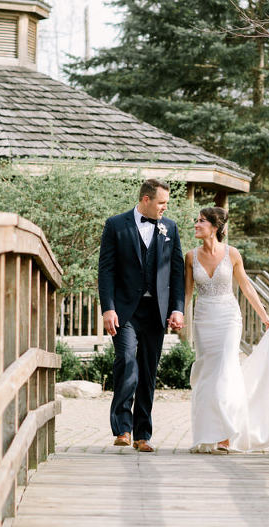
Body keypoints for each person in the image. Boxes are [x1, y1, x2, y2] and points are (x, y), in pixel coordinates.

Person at [185, 207, 269, 453]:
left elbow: (246, 287)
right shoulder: (190, 256)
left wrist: (264, 316)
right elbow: (188, 292)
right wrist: (179, 314)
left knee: (225, 370)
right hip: (203, 319)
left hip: (228, 318)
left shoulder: (232, 254)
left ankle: (226, 434)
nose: (196, 224)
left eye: (201, 221)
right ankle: (206, 434)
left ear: (214, 227)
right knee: (206, 373)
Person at [98, 178, 185, 452]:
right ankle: (122, 428)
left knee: (148, 371)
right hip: (125, 310)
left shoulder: (169, 227)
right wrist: (108, 308)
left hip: (156, 311)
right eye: (161, 203)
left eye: (166, 204)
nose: (164, 208)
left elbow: (177, 271)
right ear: (145, 200)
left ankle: (142, 435)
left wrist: (177, 308)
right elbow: (106, 269)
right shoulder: (115, 225)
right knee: (126, 360)